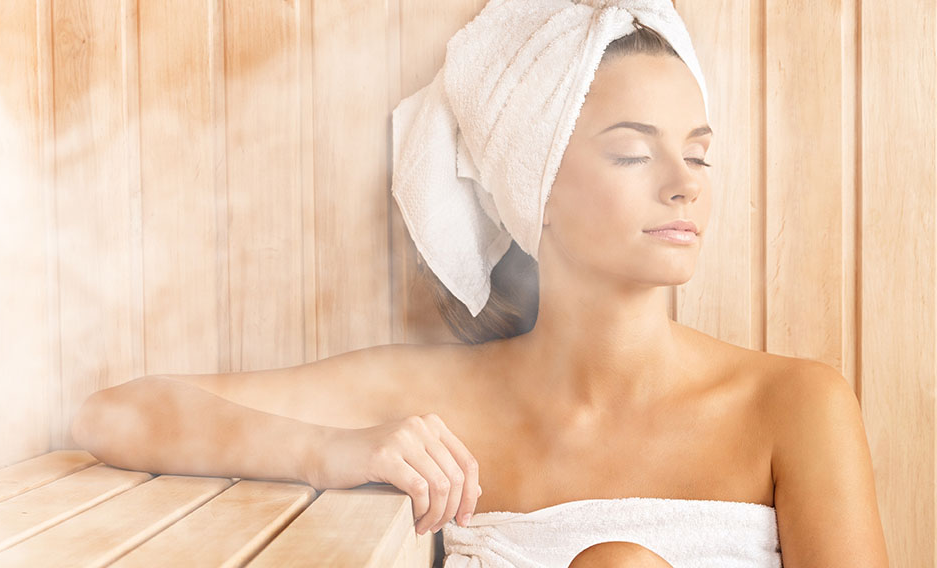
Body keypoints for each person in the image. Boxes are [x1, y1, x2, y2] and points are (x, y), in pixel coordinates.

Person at [72, 2, 888, 566]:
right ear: (533, 188)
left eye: (699, 153)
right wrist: (329, 450)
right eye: (634, 153)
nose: (684, 183)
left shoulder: (795, 405)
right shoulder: (434, 406)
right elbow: (116, 414)